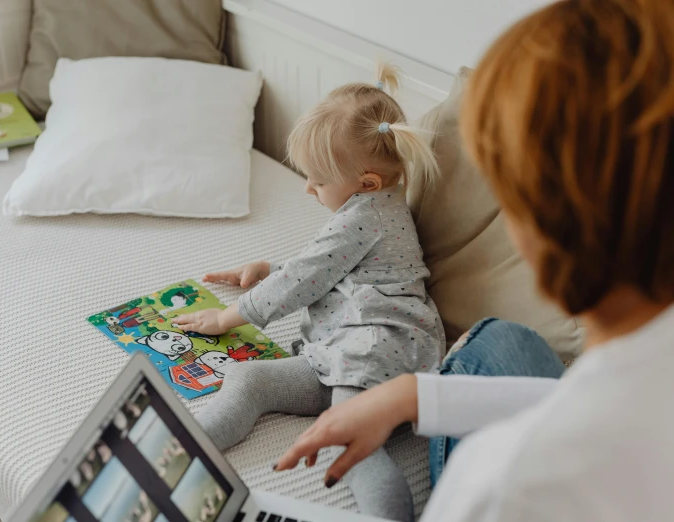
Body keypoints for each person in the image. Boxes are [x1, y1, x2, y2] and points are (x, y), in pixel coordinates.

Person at [274, 0, 674, 520]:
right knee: (505, 339)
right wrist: (415, 396)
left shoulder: (503, 482)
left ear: (544, 226)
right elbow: (603, 407)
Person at [174, 64, 446, 521]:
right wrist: (268, 269)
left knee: (346, 442)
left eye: (317, 181)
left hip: (381, 348)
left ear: (367, 182)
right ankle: (181, 455)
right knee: (249, 380)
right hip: (343, 350)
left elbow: (306, 276)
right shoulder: (373, 206)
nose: (307, 188)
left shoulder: (367, 216)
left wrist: (229, 317)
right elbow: (334, 275)